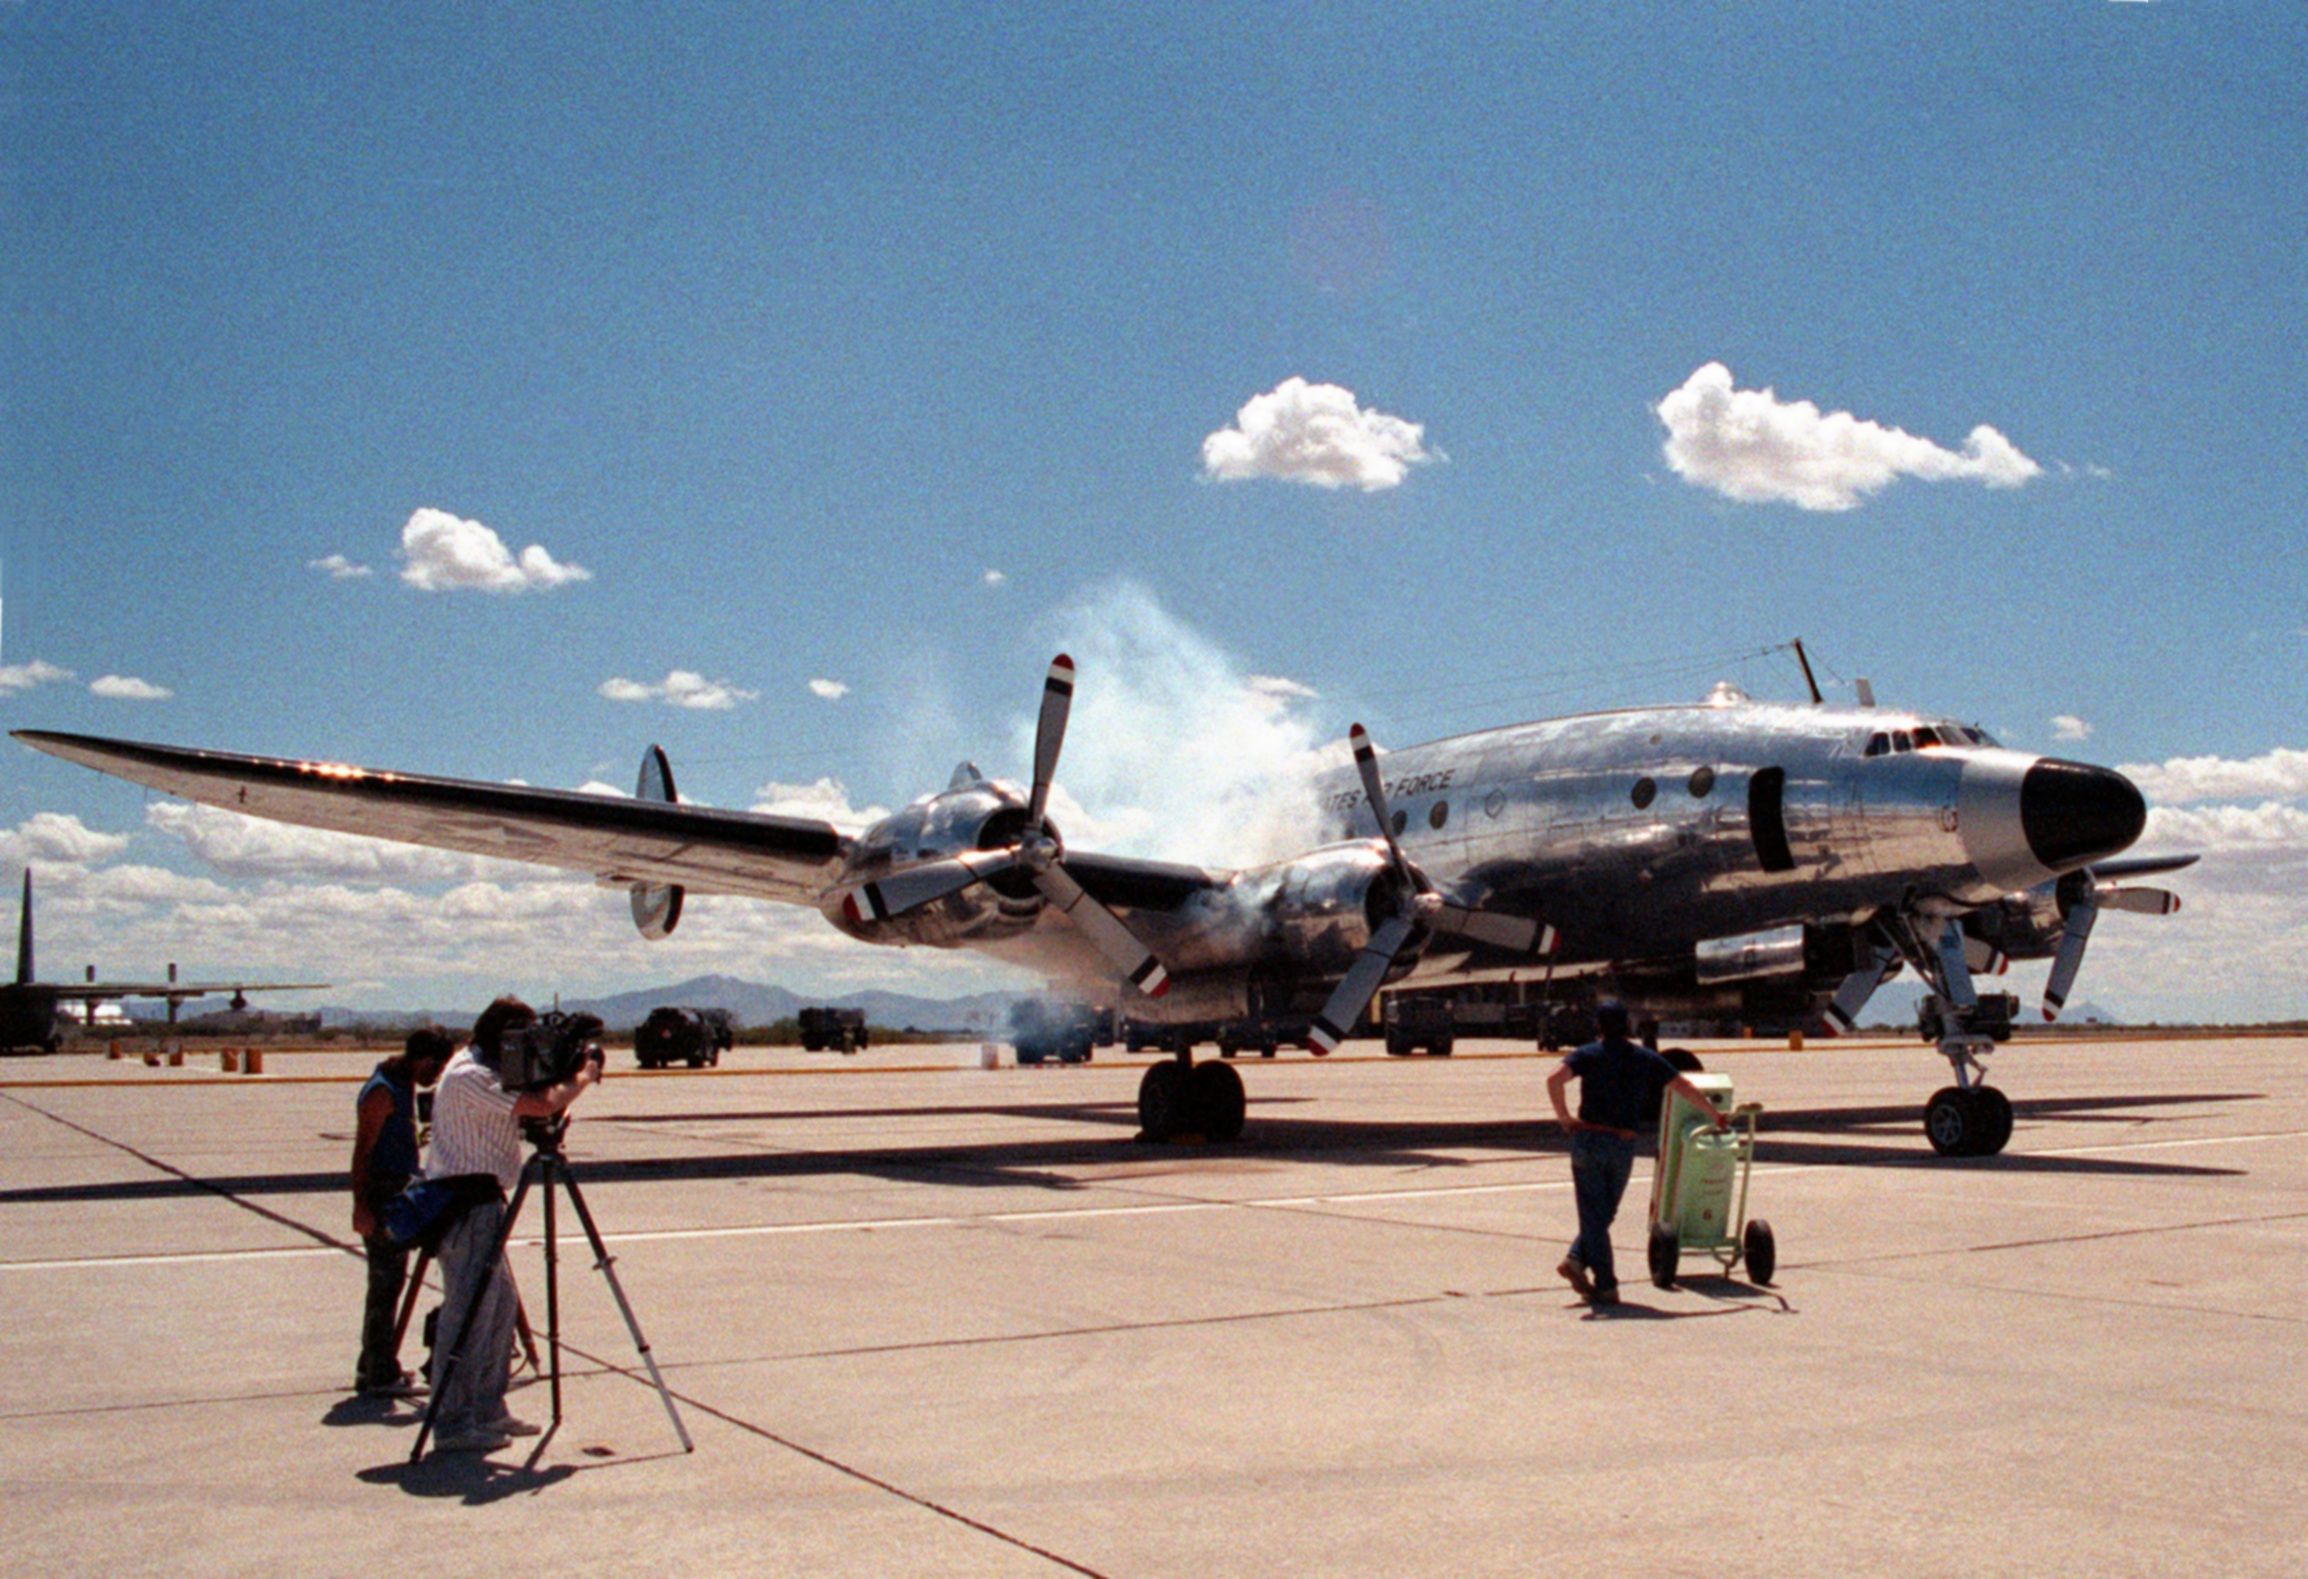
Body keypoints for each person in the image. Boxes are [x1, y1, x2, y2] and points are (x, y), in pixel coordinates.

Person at [425, 996, 603, 1454]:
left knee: (499, 1307)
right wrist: (580, 1076)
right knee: (468, 1313)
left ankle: (487, 1407)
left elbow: (535, 1109)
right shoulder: (471, 1076)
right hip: (465, 1202)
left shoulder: (484, 1070)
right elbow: (540, 1106)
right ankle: (452, 1421)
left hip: (485, 1201)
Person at [1545, 1000, 1725, 1305]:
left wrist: (1564, 1118)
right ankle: (1605, 1284)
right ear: (1627, 1025)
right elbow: (1682, 1085)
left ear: (1598, 1027)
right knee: (1602, 1214)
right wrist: (1712, 1113)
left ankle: (1578, 1259)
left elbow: (1553, 1079)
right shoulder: (1643, 1058)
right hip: (1621, 1144)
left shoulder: (1587, 1054)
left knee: (1596, 1215)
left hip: (1587, 1140)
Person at [350, 1026, 455, 1398]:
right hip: (382, 1193)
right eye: (437, 1067)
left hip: (398, 1188)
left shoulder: (402, 1084)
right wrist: (361, 1205)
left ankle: (375, 1364)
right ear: (424, 1059)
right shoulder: (383, 1091)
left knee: (388, 1284)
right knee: (384, 1285)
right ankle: (379, 1372)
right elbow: (362, 1151)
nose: (437, 1075)